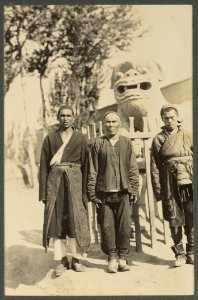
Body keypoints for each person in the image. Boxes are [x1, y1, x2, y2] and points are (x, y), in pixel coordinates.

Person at [39, 105, 90, 276]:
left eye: (69, 116)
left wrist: (85, 192)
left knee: (75, 221)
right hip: (56, 185)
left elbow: (87, 167)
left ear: (73, 118)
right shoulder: (50, 139)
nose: (65, 119)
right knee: (57, 222)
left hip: (74, 184)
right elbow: (44, 168)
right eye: (62, 116)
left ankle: (75, 259)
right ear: (58, 117)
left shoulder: (81, 139)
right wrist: (44, 193)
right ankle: (62, 261)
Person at [87, 111, 139, 273]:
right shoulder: (97, 144)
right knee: (107, 225)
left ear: (119, 124)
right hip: (104, 192)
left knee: (124, 225)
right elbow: (92, 169)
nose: (111, 125)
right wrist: (92, 192)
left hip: (123, 191)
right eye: (108, 122)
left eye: (114, 122)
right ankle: (111, 257)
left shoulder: (126, 143)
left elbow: (132, 167)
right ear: (104, 125)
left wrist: (134, 187)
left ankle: (122, 257)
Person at [151, 104, 193, 267]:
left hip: (189, 179)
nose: (170, 120)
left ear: (177, 118)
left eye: (172, 117)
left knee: (191, 214)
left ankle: (192, 252)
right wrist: (158, 189)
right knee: (174, 216)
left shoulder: (188, 135)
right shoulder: (158, 139)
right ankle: (180, 254)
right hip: (169, 180)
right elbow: (154, 165)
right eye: (166, 118)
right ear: (162, 119)